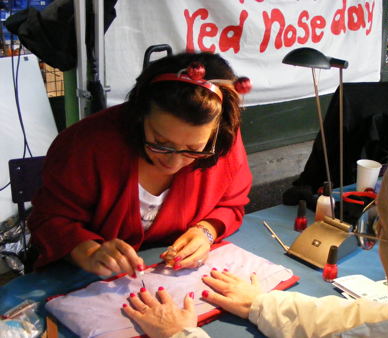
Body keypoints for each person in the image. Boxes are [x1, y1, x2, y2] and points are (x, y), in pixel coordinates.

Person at [122, 123, 388, 337]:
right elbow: (374, 319)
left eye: (381, 228)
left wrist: (178, 334)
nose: (375, 242)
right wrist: (264, 305)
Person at [28, 52, 252, 277]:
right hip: (82, 279)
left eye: (193, 150)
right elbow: (48, 219)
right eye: (160, 143)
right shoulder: (87, 144)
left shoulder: (222, 141)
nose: (173, 162)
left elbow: (231, 204)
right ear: (139, 117)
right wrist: (88, 252)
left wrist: (206, 231)